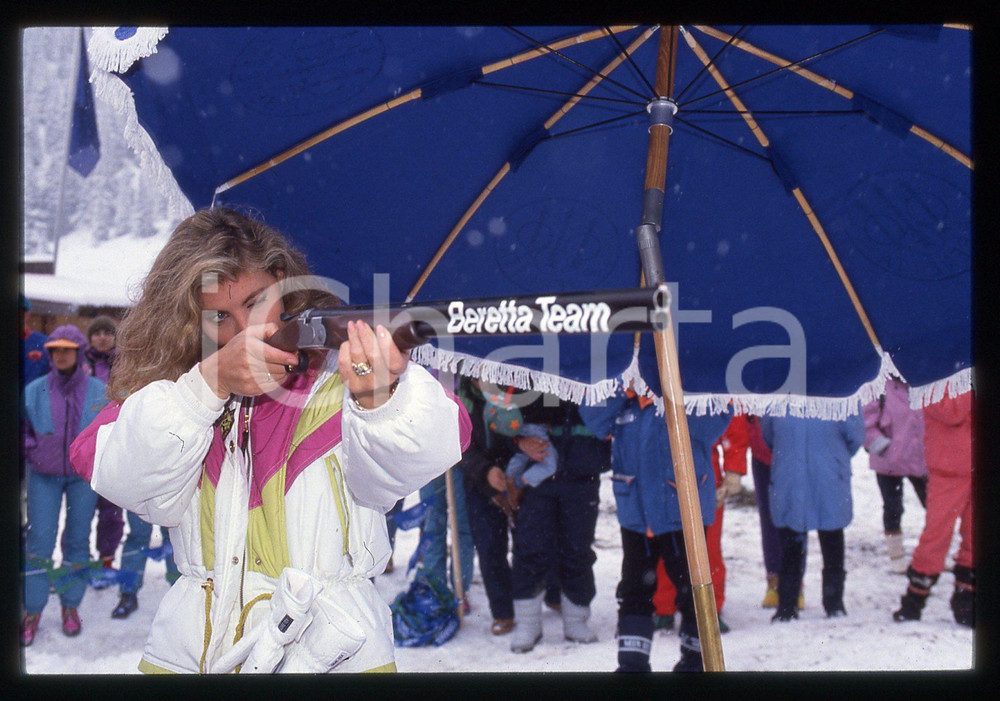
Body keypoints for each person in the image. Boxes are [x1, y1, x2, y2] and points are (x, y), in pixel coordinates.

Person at [69, 207, 469, 674]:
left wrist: (378, 397)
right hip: (193, 654)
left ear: (283, 283)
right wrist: (207, 385)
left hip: (336, 653)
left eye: (258, 301)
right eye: (219, 315)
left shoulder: (335, 374)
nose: (246, 331)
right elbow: (121, 476)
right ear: (188, 319)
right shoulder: (178, 390)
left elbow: (434, 444)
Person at [580, 386, 729, 672]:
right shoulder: (623, 396)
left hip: (682, 512)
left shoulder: (693, 387)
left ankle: (698, 663)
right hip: (636, 512)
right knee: (635, 590)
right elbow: (595, 421)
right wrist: (621, 392)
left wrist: (677, 393)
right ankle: (632, 666)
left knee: (693, 591)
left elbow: (711, 428)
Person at [21, 324, 109, 645]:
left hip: (81, 478)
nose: (60, 355)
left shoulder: (100, 390)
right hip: (43, 475)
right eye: (54, 349)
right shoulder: (34, 390)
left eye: (66, 349)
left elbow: (109, 430)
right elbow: (22, 428)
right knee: (40, 540)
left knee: (77, 539)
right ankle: (32, 610)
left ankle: (71, 606)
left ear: (78, 351)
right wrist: (31, 447)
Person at [507, 393, 608, 654]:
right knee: (530, 546)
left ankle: (576, 618)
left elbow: (608, 414)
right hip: (538, 471)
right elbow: (504, 415)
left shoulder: (597, 367)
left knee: (578, 547)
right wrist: (518, 442)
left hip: (582, 471)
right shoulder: (535, 363)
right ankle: (528, 623)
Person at [761, 413, 865, 622]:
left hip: (811, 470)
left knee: (812, 539)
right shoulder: (838, 387)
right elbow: (854, 435)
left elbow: (769, 435)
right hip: (812, 470)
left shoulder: (780, 391)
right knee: (822, 538)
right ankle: (828, 603)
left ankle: (792, 605)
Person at [652, 413, 748, 634]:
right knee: (667, 547)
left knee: (708, 549)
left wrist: (733, 470)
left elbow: (734, 424)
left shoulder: (709, 381)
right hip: (663, 474)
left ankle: (709, 608)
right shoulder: (656, 382)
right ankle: (664, 606)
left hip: (705, 479)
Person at [892, 391, 974, 627]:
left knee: (976, 535)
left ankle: (966, 599)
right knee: (936, 535)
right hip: (948, 467)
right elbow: (951, 412)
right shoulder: (936, 376)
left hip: (972, 465)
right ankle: (914, 600)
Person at [455, 377, 518, 635]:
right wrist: (485, 474)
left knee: (531, 543)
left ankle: (539, 595)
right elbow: (461, 445)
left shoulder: (515, 386)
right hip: (479, 483)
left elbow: (522, 431)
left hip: (517, 477)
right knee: (490, 547)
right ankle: (503, 611)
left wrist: (509, 473)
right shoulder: (461, 398)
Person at [862, 376, 928, 573]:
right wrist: (883, 447)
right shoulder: (878, 386)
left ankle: (931, 553)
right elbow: (865, 423)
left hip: (920, 459)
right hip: (889, 462)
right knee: (893, 508)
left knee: (934, 507)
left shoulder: (923, 380)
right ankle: (896, 554)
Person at [83, 315, 126, 581]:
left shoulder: (123, 363)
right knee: (80, 512)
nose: (102, 337)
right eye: (96, 332)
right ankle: (77, 561)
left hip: (113, 444)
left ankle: (107, 559)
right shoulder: (79, 363)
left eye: (106, 332)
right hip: (87, 442)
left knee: (111, 510)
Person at [109, 514, 181, 619]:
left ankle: (180, 591)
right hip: (139, 498)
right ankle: (128, 593)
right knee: (137, 535)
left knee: (173, 535)